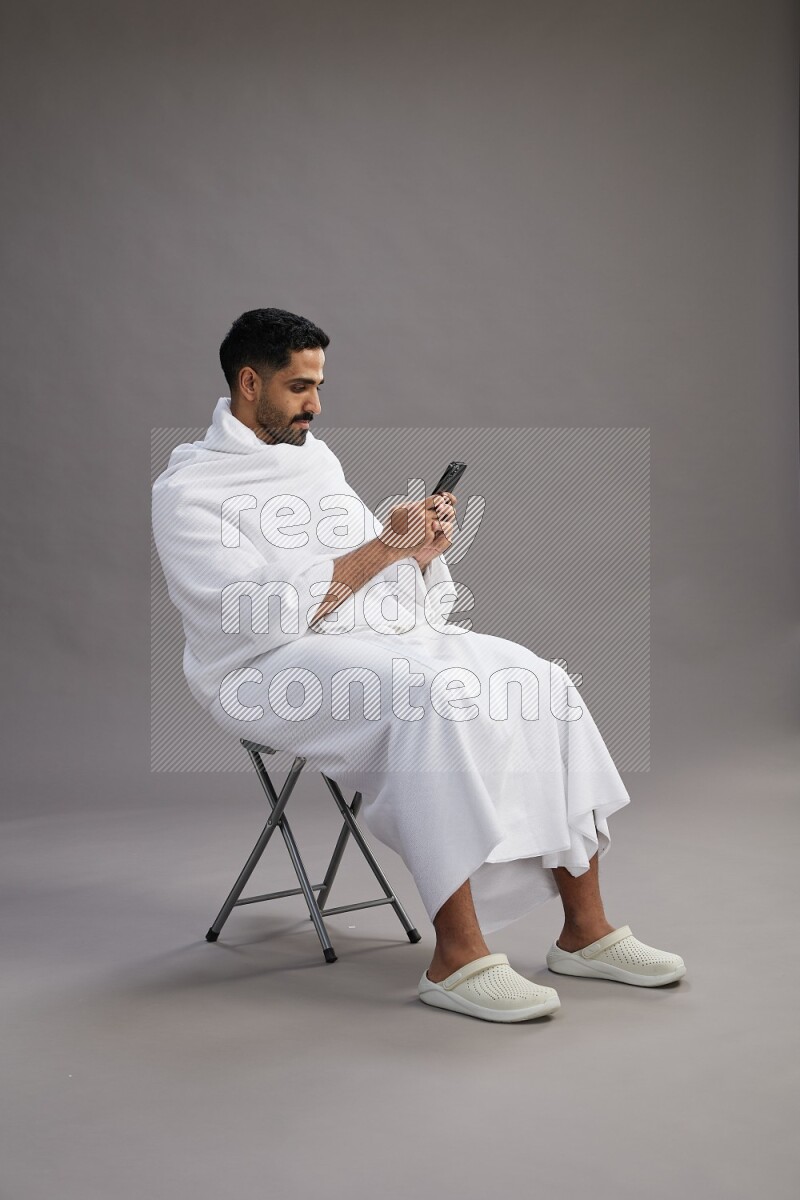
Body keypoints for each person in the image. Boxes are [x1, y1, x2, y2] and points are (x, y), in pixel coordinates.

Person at [151, 307, 686, 1024]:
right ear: (250, 383)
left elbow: (365, 581)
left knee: (539, 680)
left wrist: (417, 558)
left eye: (319, 385)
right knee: (428, 697)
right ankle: (456, 957)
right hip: (262, 668)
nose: (315, 404)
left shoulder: (313, 459)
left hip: (358, 636)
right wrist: (383, 546)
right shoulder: (187, 494)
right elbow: (251, 618)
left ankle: (583, 932)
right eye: (300, 387)